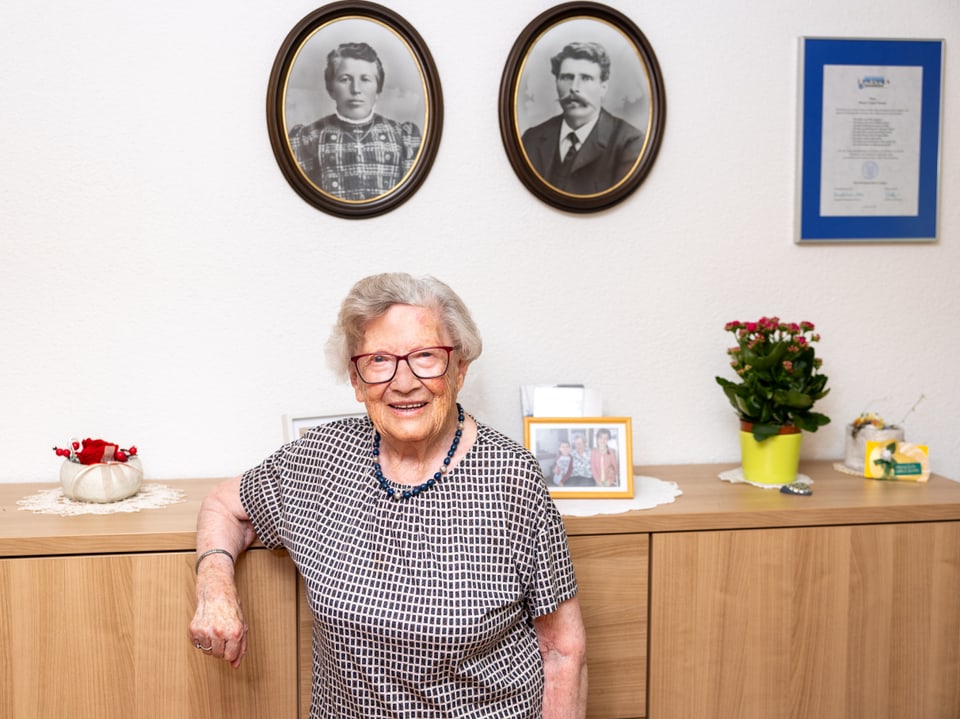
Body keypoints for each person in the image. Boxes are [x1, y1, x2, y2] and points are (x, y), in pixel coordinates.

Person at [189, 272, 588, 718]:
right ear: (357, 381)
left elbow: (561, 648)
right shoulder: (318, 459)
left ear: (459, 369)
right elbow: (225, 505)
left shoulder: (511, 476)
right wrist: (215, 589)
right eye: (380, 360)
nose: (403, 382)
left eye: (425, 356)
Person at [287, 42, 422, 201]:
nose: (356, 89)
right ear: (330, 89)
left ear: (378, 89)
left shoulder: (403, 137)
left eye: (365, 79)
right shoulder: (307, 138)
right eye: (345, 79)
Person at [521, 41, 645, 195]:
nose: (574, 88)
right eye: (567, 77)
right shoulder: (531, 138)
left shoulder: (630, 143)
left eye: (586, 78)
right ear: (556, 83)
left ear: (603, 88)